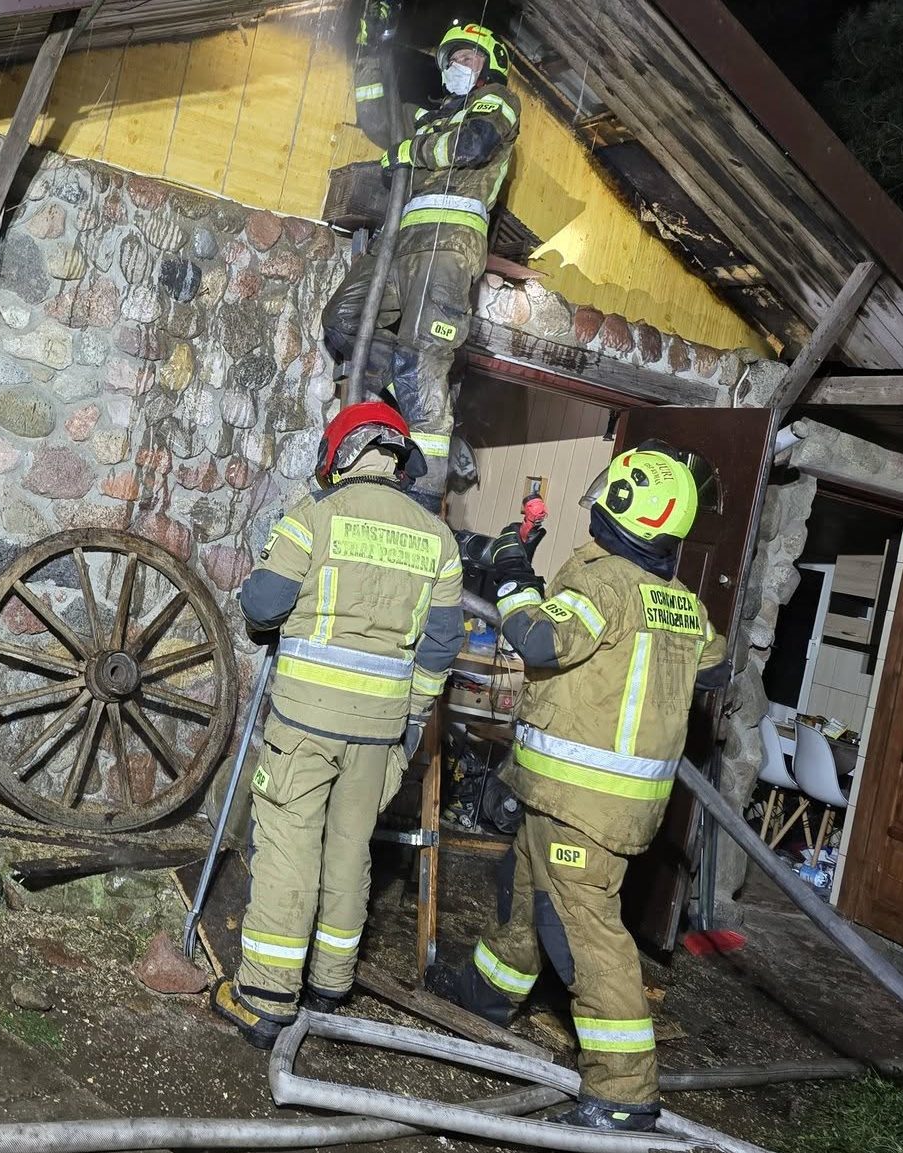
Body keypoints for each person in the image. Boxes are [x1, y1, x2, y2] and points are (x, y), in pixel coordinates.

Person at [427, 443, 732, 1131]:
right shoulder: (679, 602)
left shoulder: (605, 586)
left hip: (583, 808)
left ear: (628, 514)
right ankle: (483, 998)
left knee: (586, 939)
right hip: (578, 799)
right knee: (526, 904)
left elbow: (538, 641)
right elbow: (714, 666)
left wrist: (511, 571)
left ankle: (624, 1096)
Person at [212, 402, 466, 1048]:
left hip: (306, 721)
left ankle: (267, 994)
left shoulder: (313, 520)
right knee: (351, 848)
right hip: (381, 729)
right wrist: (412, 719)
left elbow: (263, 608)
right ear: (397, 458)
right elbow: (439, 647)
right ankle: (330, 980)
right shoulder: (437, 540)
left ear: (339, 454)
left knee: (290, 843)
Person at [322, 18, 520, 513]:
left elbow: (473, 145)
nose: (458, 66)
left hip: (449, 249)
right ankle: (407, 400)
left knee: (422, 361)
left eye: (469, 59)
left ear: (488, 67)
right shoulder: (428, 117)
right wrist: (371, 46)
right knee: (344, 321)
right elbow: (375, 115)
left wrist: (411, 153)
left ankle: (427, 497)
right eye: (452, 59)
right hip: (399, 244)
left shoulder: (496, 102)